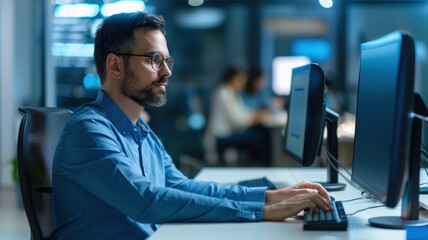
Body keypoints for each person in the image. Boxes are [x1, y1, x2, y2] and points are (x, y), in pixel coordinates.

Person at [51, 12, 333, 239]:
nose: (167, 71)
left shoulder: (143, 133)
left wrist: (270, 197)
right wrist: (262, 210)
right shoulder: (88, 130)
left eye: (166, 60)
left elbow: (185, 188)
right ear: (114, 66)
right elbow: (148, 201)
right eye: (154, 60)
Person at [206, 67, 272, 166]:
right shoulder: (224, 92)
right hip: (221, 136)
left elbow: (242, 112)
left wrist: (256, 115)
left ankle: (261, 166)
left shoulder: (231, 92)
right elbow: (237, 121)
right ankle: (260, 167)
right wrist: (254, 118)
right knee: (258, 136)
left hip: (229, 132)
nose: (243, 83)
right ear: (232, 79)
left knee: (261, 131)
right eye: (241, 80)